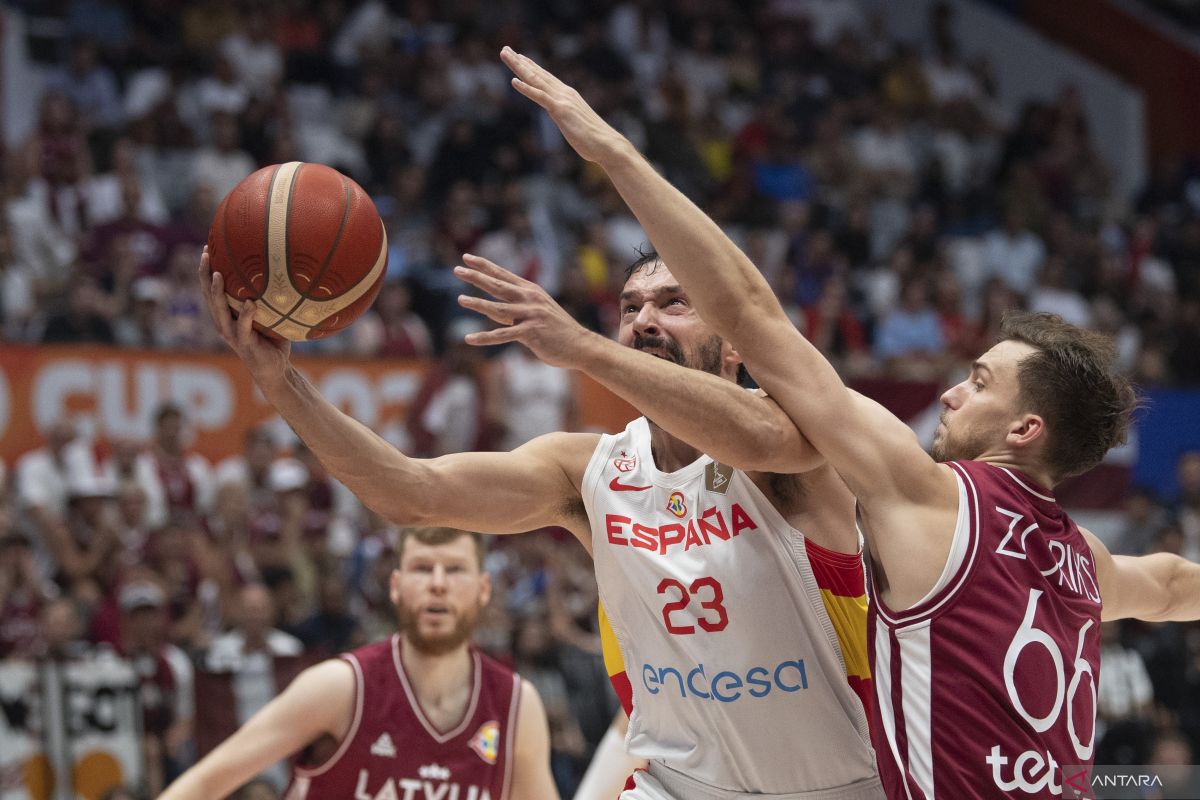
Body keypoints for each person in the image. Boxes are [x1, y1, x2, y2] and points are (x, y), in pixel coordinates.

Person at [488, 46, 1200, 800]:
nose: (951, 393)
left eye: (978, 381)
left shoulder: (929, 503)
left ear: (1024, 428)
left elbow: (753, 316)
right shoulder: (1081, 559)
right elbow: (1171, 585)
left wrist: (613, 152)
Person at [197, 170, 883, 799]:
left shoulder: (794, 440)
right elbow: (409, 491)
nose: (644, 320)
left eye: (676, 303)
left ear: (737, 343)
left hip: (841, 782)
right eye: (631, 306)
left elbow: (757, 438)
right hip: (676, 784)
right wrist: (278, 383)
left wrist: (584, 347)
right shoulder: (588, 470)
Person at [160, 528, 558, 800]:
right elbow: (205, 781)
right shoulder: (342, 686)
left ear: (483, 588)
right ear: (396, 587)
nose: (438, 583)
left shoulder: (516, 706)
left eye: (454, 569)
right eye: (422, 568)